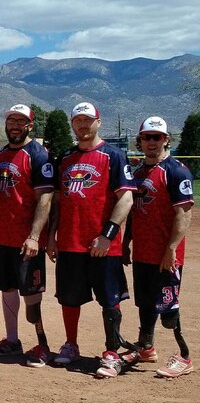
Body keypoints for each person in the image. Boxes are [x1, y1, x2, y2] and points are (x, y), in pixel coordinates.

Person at [47, 102, 135, 378]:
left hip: (102, 245)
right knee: (69, 298)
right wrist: (52, 236)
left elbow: (127, 198)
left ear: (99, 122)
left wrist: (107, 236)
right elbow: (58, 202)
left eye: (88, 120)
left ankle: (111, 351)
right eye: (78, 121)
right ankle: (71, 345)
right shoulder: (65, 157)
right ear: (73, 124)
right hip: (70, 242)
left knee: (109, 299)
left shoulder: (113, 155)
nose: (83, 125)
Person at [122, 116, 194, 378]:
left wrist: (172, 249)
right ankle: (146, 347)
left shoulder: (176, 171)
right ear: (140, 141)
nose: (151, 142)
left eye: (157, 137)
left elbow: (184, 213)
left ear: (166, 140)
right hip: (143, 252)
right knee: (146, 304)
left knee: (169, 307)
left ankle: (184, 356)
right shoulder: (138, 172)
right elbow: (132, 214)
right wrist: (127, 242)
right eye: (146, 137)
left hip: (166, 255)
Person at [0, 104, 55, 367]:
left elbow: (45, 198)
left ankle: (42, 343)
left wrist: (35, 236)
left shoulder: (38, 155)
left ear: (29, 125)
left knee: (31, 294)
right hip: (0, 237)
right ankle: (12, 340)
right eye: (11, 120)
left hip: (26, 240)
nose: (14, 125)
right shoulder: (1, 155)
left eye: (20, 121)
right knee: (7, 288)